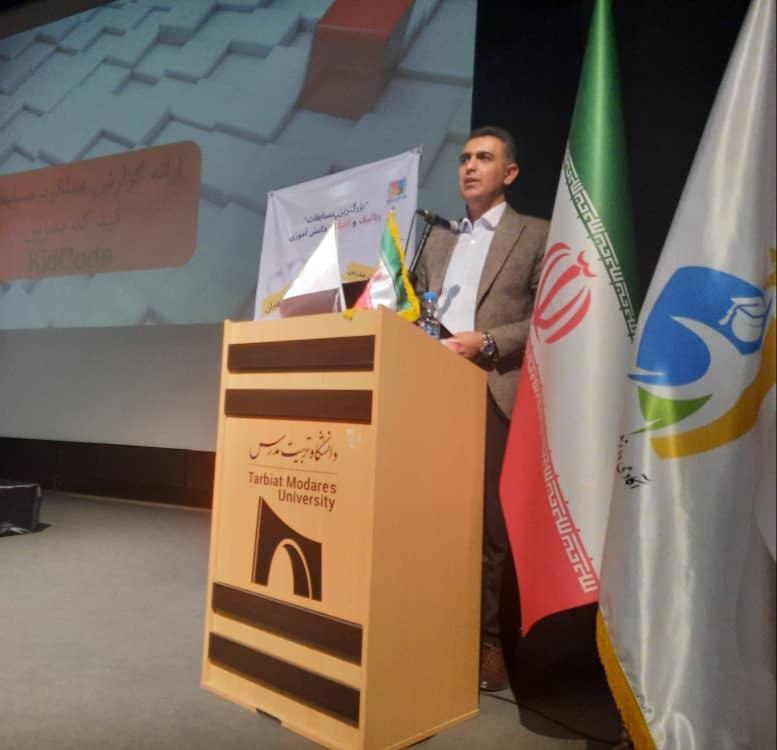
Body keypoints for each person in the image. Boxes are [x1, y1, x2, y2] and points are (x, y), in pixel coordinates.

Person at [413, 125, 549, 692]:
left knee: (492, 528)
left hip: (495, 387)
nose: (470, 166)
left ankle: (490, 644)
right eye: (465, 158)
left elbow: (547, 317)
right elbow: (415, 311)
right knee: (435, 517)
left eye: (484, 158)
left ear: (509, 173)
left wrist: (487, 341)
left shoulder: (536, 234)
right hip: (433, 390)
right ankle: (431, 626)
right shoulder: (436, 240)